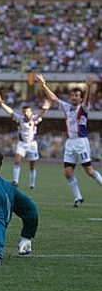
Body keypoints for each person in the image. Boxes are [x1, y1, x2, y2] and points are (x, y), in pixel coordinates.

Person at [36, 74, 102, 207]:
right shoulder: (66, 107)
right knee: (67, 172)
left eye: (77, 96)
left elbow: (87, 100)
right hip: (70, 142)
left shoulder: (83, 108)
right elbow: (53, 98)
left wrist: (88, 87)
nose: (74, 97)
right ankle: (78, 197)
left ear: (80, 98)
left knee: (89, 171)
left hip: (81, 142)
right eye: (72, 95)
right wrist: (43, 85)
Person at [0, 95, 50, 189]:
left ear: (31, 112)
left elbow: (41, 113)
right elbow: (11, 111)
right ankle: (15, 181)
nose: (26, 113)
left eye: (28, 111)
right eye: (24, 112)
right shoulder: (19, 119)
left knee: (32, 165)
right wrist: (1, 104)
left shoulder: (34, 119)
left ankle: (32, 184)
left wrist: (45, 108)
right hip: (21, 143)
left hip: (32, 144)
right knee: (17, 161)